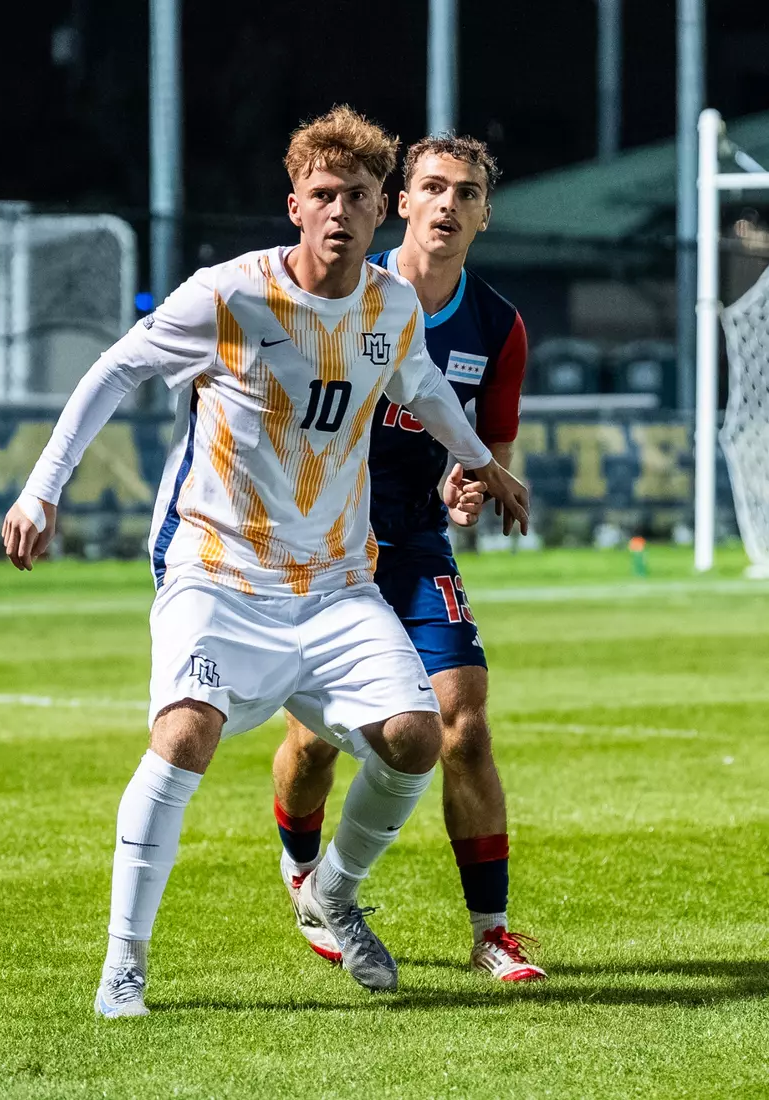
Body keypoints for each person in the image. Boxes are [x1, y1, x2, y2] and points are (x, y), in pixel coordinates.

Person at [1, 107, 529, 1017]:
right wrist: (42, 489)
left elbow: (423, 386)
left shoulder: (390, 305)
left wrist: (482, 464)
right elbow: (114, 372)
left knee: (415, 738)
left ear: (377, 212)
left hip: (334, 583)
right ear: (295, 205)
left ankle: (331, 891)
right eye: (323, 195)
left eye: (355, 197)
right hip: (219, 568)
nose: (339, 212)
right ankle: (124, 962)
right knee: (185, 734)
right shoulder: (230, 295)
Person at [272, 134, 546, 982]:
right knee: (317, 744)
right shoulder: (345, 292)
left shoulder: (497, 326)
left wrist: (468, 488)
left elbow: (485, 450)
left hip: (415, 541)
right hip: (323, 543)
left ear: (483, 214)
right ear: (400, 202)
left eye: (466, 193)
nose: (447, 205)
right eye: (431, 187)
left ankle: (491, 932)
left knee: (462, 722)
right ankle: (301, 878)